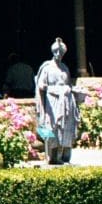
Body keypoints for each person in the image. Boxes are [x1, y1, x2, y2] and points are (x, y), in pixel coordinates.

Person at [34, 37, 83, 165]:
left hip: (66, 102)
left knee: (66, 127)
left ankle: (65, 155)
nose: (59, 55)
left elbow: (68, 84)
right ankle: (53, 156)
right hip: (53, 102)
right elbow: (41, 85)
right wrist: (57, 90)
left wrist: (74, 90)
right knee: (54, 127)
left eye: (61, 53)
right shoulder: (47, 67)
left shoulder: (64, 68)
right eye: (56, 52)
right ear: (53, 52)